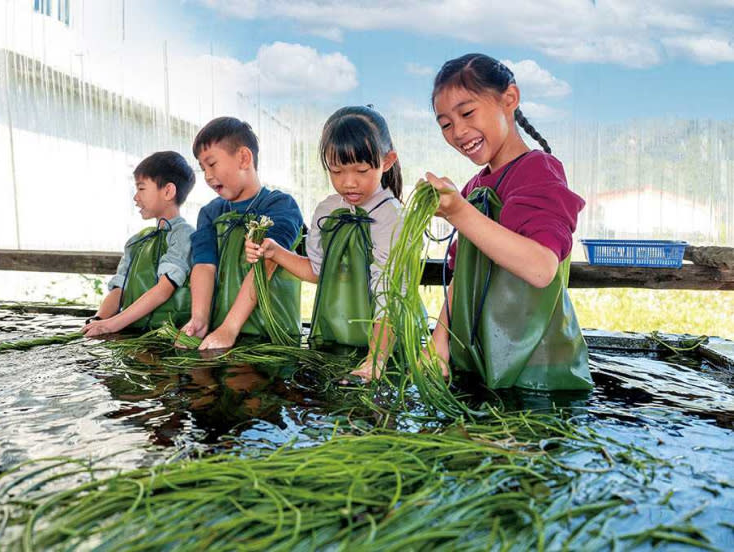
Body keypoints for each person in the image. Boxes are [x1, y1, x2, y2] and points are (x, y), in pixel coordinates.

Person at [425, 53, 592, 391]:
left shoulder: (538, 171)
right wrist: (438, 342)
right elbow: (463, 274)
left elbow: (541, 268)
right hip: (487, 362)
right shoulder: (474, 189)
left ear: (509, 99)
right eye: (445, 124)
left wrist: (459, 212)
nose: (458, 131)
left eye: (467, 113)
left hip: (540, 372)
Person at [245, 106, 403, 380]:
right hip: (332, 336)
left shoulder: (392, 217)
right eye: (337, 170)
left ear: (387, 161)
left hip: (385, 347)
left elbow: (388, 295)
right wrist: (275, 251)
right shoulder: (327, 211)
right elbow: (319, 271)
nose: (348, 182)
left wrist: (376, 359)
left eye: (361, 170)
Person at [181, 117, 303, 349]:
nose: (207, 175)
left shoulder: (280, 205)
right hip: (219, 335)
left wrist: (230, 328)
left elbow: (267, 261)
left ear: (244, 158)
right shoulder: (210, 213)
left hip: (273, 339)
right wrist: (199, 318)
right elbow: (204, 265)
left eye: (212, 164)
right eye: (202, 168)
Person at [82, 151, 195, 337]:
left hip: (169, 335)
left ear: (168, 191)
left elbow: (164, 289)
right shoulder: (137, 242)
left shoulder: (183, 234)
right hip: (133, 332)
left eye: (141, 189)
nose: (136, 197)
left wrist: (112, 325)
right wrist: (99, 320)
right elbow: (120, 288)